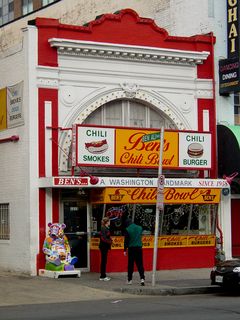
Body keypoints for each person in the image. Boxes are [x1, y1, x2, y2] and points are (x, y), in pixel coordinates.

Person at [124, 218, 145, 286]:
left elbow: (126, 241)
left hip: (131, 249)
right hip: (139, 248)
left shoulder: (127, 229)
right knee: (140, 264)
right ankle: (142, 279)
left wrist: (124, 250)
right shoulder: (139, 228)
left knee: (130, 265)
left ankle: (130, 280)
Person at [99, 217, 112, 281]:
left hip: (105, 246)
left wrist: (110, 239)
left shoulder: (106, 228)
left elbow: (106, 237)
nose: (110, 222)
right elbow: (103, 238)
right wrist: (110, 241)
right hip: (103, 246)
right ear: (107, 222)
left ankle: (103, 275)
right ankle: (103, 276)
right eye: (109, 221)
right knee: (104, 261)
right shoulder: (103, 228)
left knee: (104, 261)